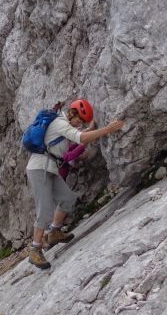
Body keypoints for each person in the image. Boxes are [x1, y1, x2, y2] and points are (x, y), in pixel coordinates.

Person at [26, 99, 124, 269]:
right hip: (39, 168)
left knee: (68, 199)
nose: (79, 124)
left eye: (81, 122)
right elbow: (81, 137)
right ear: (71, 113)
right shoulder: (60, 122)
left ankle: (54, 232)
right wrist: (107, 129)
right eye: (78, 120)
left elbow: (74, 139)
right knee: (45, 209)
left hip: (50, 167)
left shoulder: (64, 124)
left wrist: (90, 129)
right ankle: (35, 250)